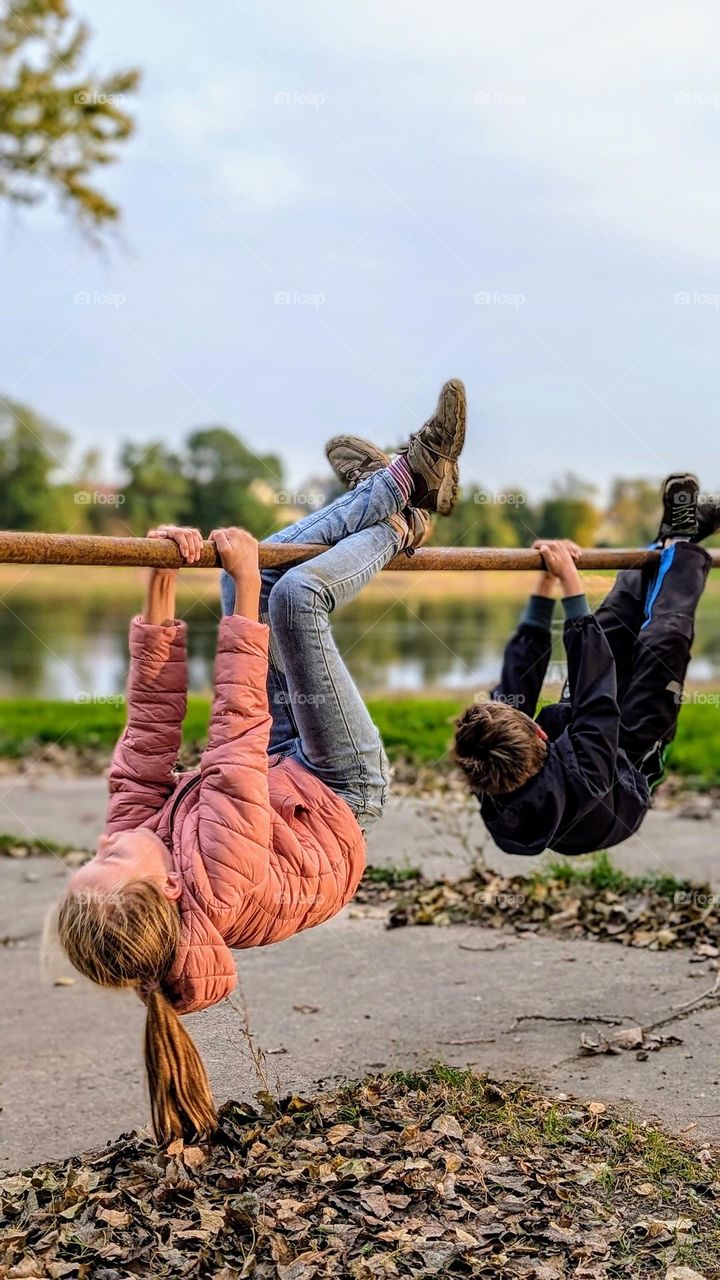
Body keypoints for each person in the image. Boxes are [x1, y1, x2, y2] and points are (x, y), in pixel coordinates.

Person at [53, 380, 467, 1141]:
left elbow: (149, 726)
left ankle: (394, 486)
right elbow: (234, 735)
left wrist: (161, 579)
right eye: (111, 857)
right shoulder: (220, 876)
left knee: (249, 581)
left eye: (95, 854)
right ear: (170, 885)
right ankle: (403, 511)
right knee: (292, 596)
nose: (107, 839)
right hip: (339, 792)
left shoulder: (143, 856)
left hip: (281, 775)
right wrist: (242, 589)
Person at [453, 474, 718, 857]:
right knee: (664, 643)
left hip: (575, 763)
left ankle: (673, 539)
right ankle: (680, 540)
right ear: (541, 735)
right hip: (625, 779)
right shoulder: (586, 771)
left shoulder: (488, 765)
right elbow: (594, 690)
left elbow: (520, 674)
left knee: (609, 630)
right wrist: (570, 581)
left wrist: (545, 581)